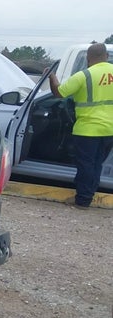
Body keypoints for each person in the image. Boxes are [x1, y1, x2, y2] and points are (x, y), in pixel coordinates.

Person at [49, 42, 113, 208]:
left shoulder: (84, 75)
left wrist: (51, 76)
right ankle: (88, 196)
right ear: (106, 56)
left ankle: (83, 200)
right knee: (96, 164)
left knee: (85, 165)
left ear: (88, 58)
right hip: (109, 130)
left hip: (87, 129)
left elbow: (59, 93)